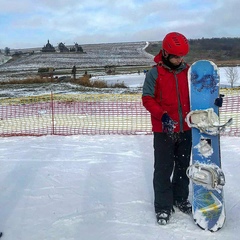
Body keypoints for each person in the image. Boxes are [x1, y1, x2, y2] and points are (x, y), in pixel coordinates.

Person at [142, 32, 192, 225]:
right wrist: (162, 115)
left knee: (182, 166)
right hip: (164, 130)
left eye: (182, 57)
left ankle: (180, 199)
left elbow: (200, 92)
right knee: (163, 169)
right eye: (176, 56)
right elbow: (147, 98)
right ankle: (163, 206)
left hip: (186, 128)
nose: (180, 60)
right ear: (165, 53)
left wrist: (213, 100)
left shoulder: (188, 72)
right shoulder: (155, 73)